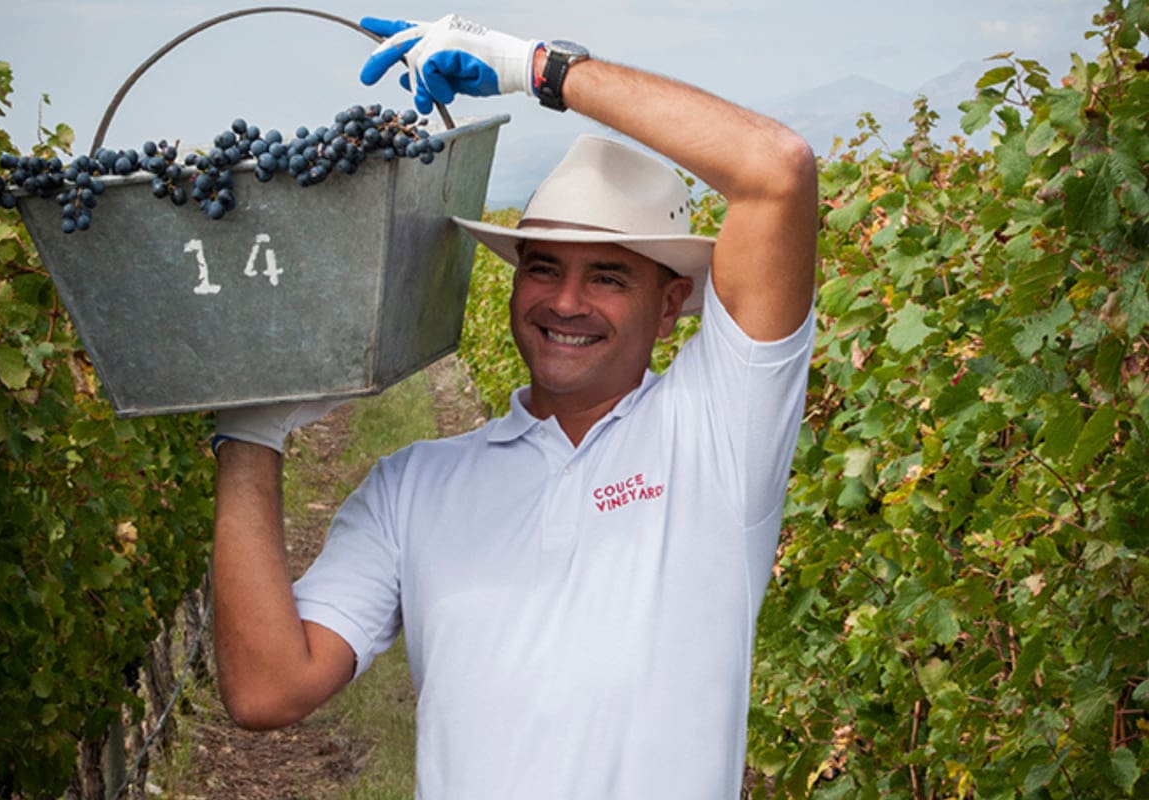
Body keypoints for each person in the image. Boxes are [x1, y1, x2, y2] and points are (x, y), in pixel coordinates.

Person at [211, 13, 818, 799]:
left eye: (607, 276)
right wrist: (249, 431)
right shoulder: (410, 488)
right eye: (541, 268)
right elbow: (267, 691)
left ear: (671, 307)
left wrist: (535, 68)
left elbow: (777, 168)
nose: (565, 302)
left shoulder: (715, 436)